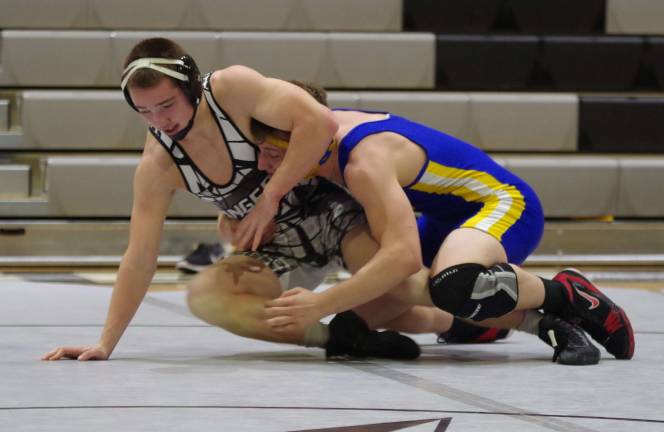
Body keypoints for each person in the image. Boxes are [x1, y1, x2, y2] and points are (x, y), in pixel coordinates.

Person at [41, 37, 432, 362]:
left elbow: (321, 121)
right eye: (144, 112)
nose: (160, 121)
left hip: (334, 213)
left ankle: (463, 318)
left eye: (166, 106)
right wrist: (106, 342)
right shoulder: (158, 164)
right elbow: (140, 255)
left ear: (192, 89)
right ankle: (341, 339)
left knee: (402, 287)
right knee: (206, 296)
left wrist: (269, 197)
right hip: (278, 243)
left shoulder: (232, 89)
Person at [250, 82, 634, 362]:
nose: (263, 165)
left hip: (504, 204)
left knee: (452, 284)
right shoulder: (321, 133)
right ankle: (473, 321)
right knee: (350, 330)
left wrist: (320, 303)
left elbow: (401, 257)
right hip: (445, 219)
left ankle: (564, 294)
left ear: (306, 142)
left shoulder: (364, 162)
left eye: (270, 153)